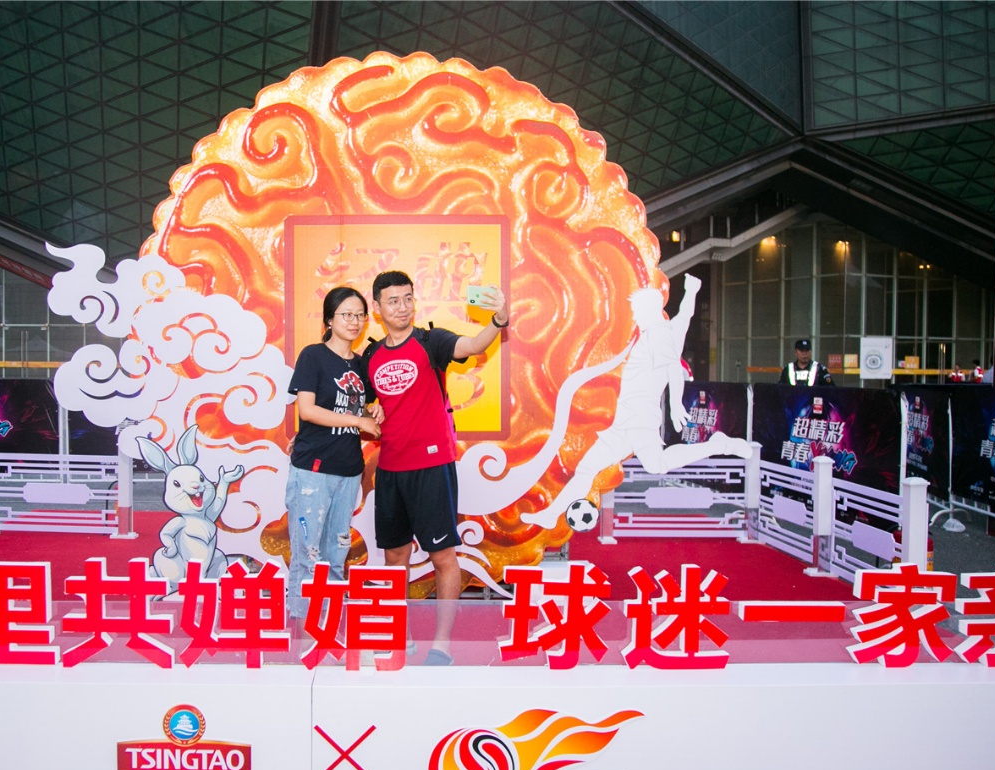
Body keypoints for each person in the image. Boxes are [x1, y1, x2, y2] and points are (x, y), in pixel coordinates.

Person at [521, 275, 751, 530]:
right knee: (588, 468)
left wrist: (676, 404)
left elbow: (673, 369)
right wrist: (691, 292)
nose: (635, 316)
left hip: (640, 418)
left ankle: (717, 445)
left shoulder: (658, 336)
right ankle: (551, 515)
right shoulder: (663, 333)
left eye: (637, 311)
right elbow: (684, 318)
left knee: (657, 464)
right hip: (625, 419)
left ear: (648, 310)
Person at [365, 269, 510, 665]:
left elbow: (474, 344)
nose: (402, 307)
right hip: (390, 471)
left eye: (407, 298)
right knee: (394, 559)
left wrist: (498, 320)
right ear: (377, 308)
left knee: (442, 556)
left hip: (432, 466)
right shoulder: (371, 357)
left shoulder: (432, 341)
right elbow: (361, 405)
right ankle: (403, 638)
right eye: (393, 301)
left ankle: (441, 645)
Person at [285, 286, 383, 620]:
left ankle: (331, 625)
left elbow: (363, 410)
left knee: (337, 554)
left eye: (360, 316)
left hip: (349, 470)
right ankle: (303, 630)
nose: (354, 322)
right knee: (307, 555)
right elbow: (308, 410)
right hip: (313, 471)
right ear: (329, 319)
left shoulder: (361, 364)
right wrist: (358, 420)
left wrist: (375, 411)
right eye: (346, 315)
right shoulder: (313, 356)